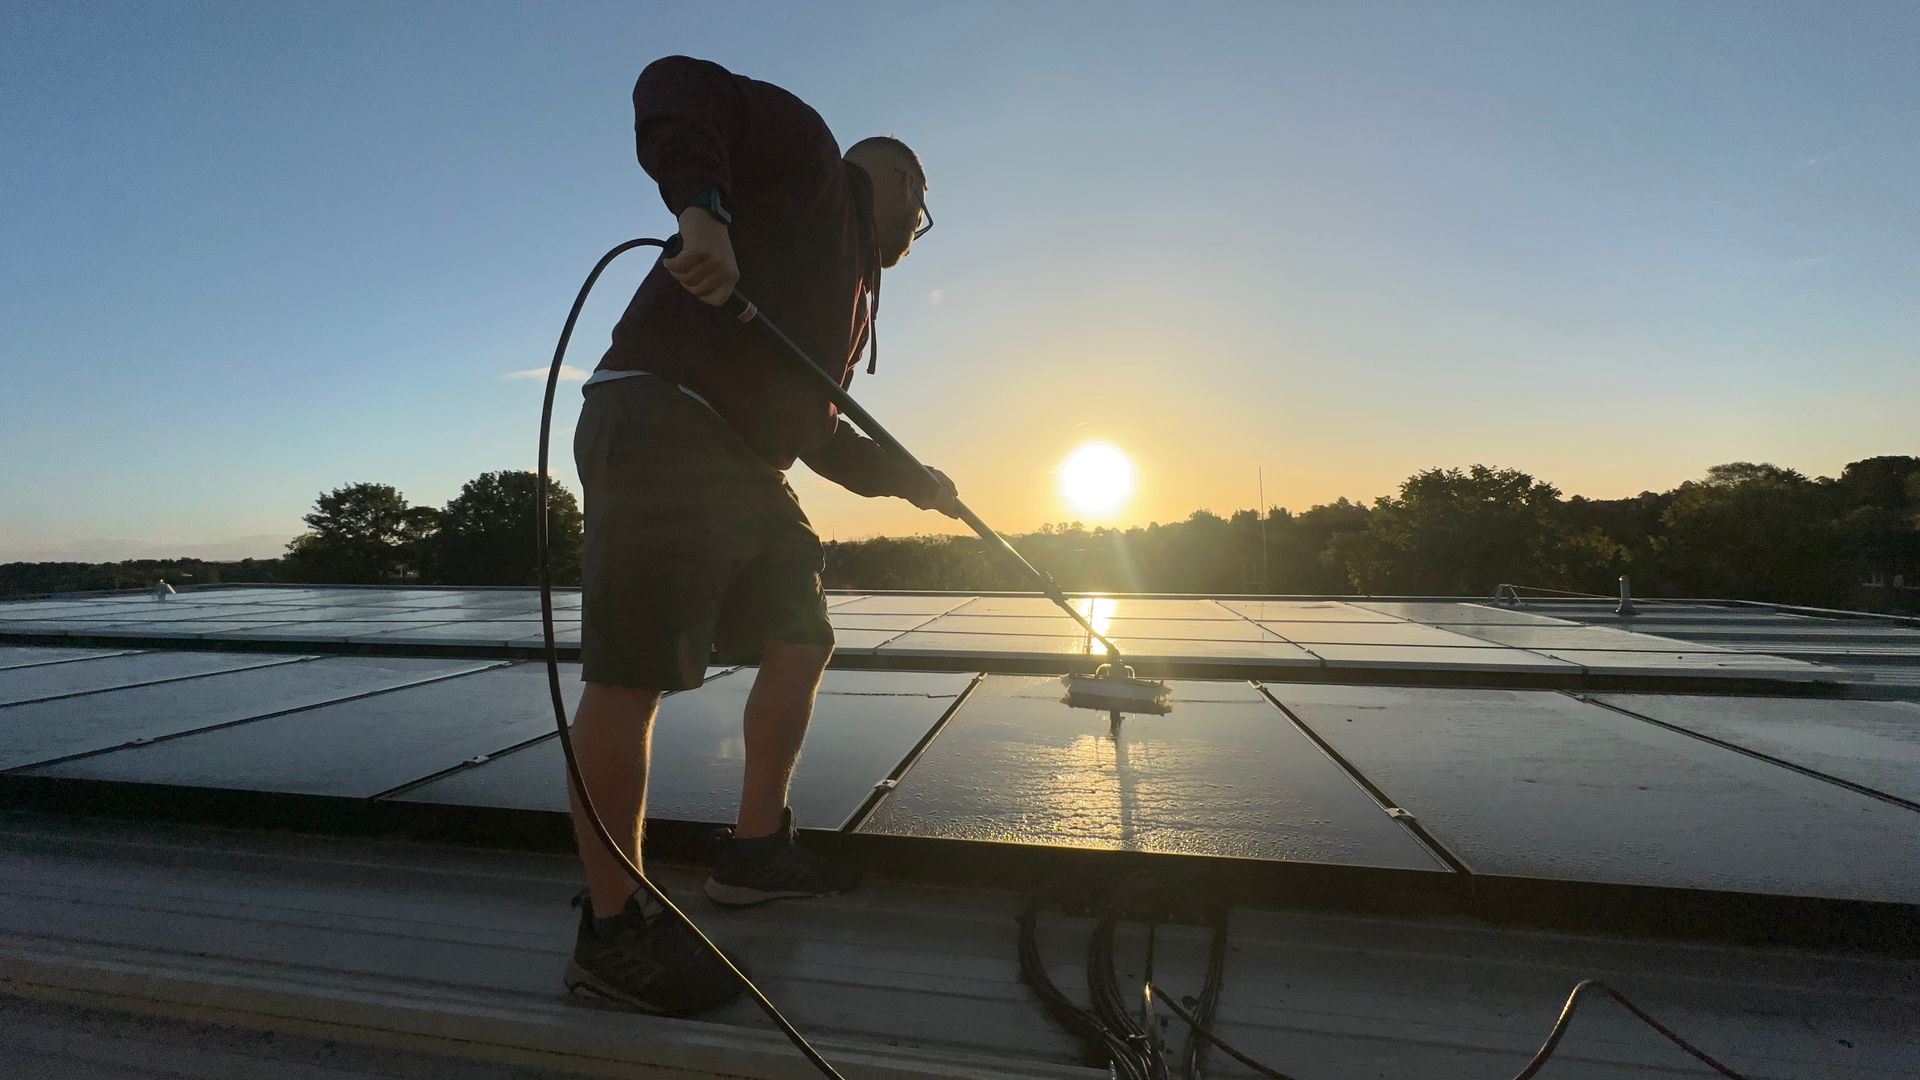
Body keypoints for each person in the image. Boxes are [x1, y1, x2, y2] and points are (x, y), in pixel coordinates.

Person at [561, 55, 959, 1017]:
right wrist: (702, 212)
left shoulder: (848, 291)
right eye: (920, 205)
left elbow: (812, 433)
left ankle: (753, 852)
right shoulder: (811, 159)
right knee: (634, 671)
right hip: (663, 415)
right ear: (899, 181)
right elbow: (678, 83)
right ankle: (612, 931)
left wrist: (914, 484)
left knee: (800, 634)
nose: (917, 228)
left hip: (747, 462)